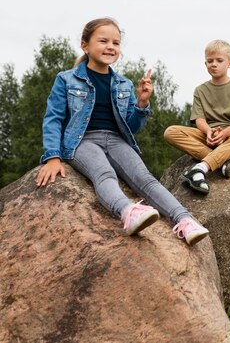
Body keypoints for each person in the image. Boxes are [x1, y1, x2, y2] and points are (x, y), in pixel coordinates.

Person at [36, 17, 209, 246]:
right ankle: (128, 211)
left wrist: (142, 104)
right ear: (85, 45)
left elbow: (132, 127)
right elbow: (53, 119)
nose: (110, 46)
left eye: (116, 43)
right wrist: (53, 157)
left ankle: (185, 220)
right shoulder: (66, 79)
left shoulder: (123, 84)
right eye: (103, 41)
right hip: (81, 142)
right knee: (104, 174)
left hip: (116, 140)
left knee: (146, 179)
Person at [164, 40, 230, 194]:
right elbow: (199, 119)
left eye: (219, 60)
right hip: (207, 135)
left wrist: (225, 133)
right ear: (205, 64)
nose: (214, 64)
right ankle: (223, 159)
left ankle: (200, 168)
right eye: (210, 61)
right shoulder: (200, 90)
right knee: (171, 132)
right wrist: (209, 132)